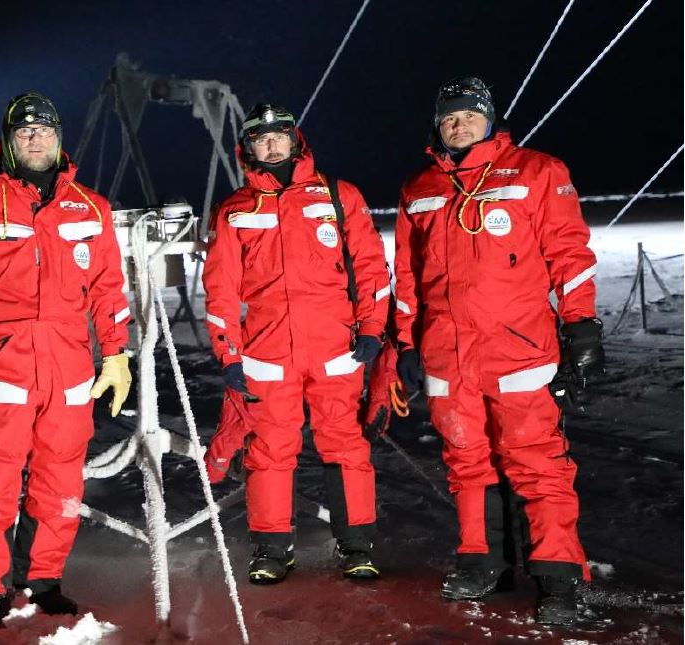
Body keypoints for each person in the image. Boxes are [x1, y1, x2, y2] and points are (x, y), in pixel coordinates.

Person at [393, 76, 604, 626]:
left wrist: (581, 325)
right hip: (446, 354)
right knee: (465, 461)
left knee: (538, 464)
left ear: (490, 119)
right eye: (448, 118)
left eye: (468, 115)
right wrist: (407, 341)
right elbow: (408, 278)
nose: (458, 125)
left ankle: (559, 577)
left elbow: (569, 254)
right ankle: (480, 560)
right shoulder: (419, 187)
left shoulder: (537, 171)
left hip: (518, 349)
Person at [0, 92, 132, 627]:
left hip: (70, 367)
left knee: (61, 483)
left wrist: (116, 356)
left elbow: (108, 289)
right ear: (8, 141)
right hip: (3, 368)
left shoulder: (91, 207)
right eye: (25, 132)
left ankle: (42, 579)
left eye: (45, 130)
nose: (36, 138)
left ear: (60, 138)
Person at [203, 103, 391, 585]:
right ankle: (271, 549)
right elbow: (221, 288)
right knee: (269, 450)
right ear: (248, 148)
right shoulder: (236, 209)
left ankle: (357, 546)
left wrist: (372, 328)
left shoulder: (339, 195)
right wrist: (228, 353)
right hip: (267, 352)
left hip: (335, 347)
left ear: (295, 139)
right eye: (260, 138)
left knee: (345, 445)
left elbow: (371, 268)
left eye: (279, 135)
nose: (271, 144)